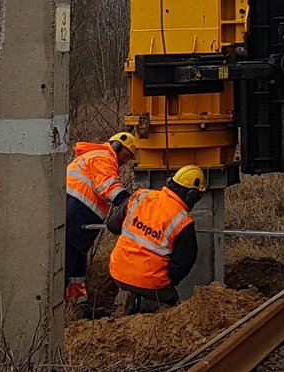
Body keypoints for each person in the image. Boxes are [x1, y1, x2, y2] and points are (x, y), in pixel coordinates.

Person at [107, 164, 206, 314]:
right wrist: (166, 281)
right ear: (191, 195)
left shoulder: (141, 196)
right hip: (149, 283)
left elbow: (112, 225)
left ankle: (127, 300)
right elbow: (183, 263)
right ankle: (139, 305)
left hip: (118, 271)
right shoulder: (183, 221)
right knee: (173, 307)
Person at [65, 131, 137, 317]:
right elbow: (108, 186)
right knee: (67, 261)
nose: (126, 161)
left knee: (77, 263)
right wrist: (131, 203)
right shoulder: (103, 158)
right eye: (126, 155)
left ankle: (77, 305)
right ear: (116, 146)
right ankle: (62, 308)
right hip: (75, 212)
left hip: (78, 214)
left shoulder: (98, 157)